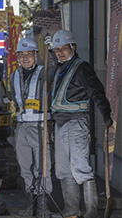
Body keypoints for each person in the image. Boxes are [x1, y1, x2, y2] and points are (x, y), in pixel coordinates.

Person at [48, 30, 113, 218]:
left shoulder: (81, 67)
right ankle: (71, 210)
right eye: (56, 50)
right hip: (60, 123)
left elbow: (96, 91)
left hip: (76, 123)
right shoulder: (59, 69)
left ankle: (91, 212)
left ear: (73, 48)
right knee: (63, 169)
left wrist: (105, 114)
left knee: (80, 167)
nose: (60, 53)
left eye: (63, 49)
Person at [9, 37, 53, 217]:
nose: (25, 58)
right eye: (22, 55)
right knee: (25, 166)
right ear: (18, 56)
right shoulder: (14, 76)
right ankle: (32, 204)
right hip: (22, 127)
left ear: (36, 55)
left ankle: (43, 206)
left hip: (41, 126)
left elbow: (58, 72)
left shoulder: (46, 72)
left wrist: (51, 51)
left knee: (42, 167)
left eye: (29, 54)